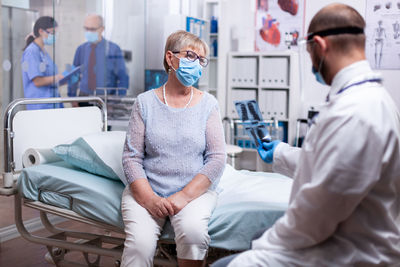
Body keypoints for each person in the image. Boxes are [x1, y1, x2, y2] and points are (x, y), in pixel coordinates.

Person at [213, 3, 400, 266]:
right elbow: (329, 164)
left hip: (349, 253)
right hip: (343, 238)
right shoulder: (370, 100)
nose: (312, 63)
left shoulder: (354, 113)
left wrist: (259, 249)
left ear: (321, 46)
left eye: (310, 52)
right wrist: (280, 152)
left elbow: (314, 217)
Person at [121, 30, 226, 267]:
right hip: (148, 189)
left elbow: (217, 158)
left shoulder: (208, 104)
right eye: (190, 56)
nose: (197, 64)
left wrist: (184, 196)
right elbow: (131, 158)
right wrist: (149, 199)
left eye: (201, 60)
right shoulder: (144, 103)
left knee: (193, 233)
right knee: (139, 245)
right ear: (170, 58)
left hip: (194, 192)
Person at [68, 14, 129, 105]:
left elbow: (123, 77)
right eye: (86, 29)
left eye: (92, 29)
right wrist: (72, 98)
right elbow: (73, 75)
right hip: (84, 98)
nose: (88, 32)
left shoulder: (113, 49)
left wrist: (117, 100)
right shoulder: (81, 49)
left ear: (102, 29)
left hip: (106, 99)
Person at [21, 16, 64, 110]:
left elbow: (49, 79)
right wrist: (58, 77)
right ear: (41, 31)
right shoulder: (31, 52)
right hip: (40, 106)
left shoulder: (43, 51)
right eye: (53, 33)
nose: (55, 36)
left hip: (51, 104)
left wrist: (64, 79)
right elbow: (37, 81)